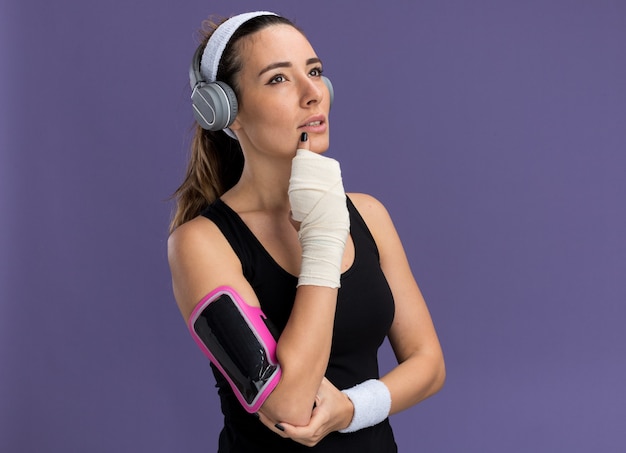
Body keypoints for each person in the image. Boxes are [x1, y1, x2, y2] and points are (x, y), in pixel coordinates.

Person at [168, 11, 445, 452]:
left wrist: (355, 408)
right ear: (226, 111)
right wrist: (322, 237)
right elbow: (289, 406)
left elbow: (429, 364)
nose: (314, 93)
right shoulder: (201, 243)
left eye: (314, 72)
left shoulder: (369, 215)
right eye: (278, 79)